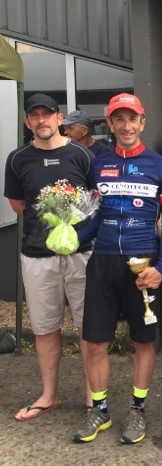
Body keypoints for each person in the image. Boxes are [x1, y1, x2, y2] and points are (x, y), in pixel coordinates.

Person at [72, 93, 162, 444]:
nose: (126, 125)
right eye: (119, 119)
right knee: (94, 342)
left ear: (142, 122)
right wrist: (71, 239)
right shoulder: (97, 164)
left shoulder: (161, 167)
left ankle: (137, 409)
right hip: (102, 262)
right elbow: (94, 216)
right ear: (110, 123)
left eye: (132, 118)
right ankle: (100, 410)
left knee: (143, 342)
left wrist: (161, 268)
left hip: (142, 264)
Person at [4, 93, 94, 420]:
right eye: (35, 115)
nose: (42, 120)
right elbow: (19, 205)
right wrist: (53, 228)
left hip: (82, 254)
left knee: (88, 327)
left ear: (59, 119)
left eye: (48, 114)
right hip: (37, 256)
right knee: (44, 328)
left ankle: (93, 398)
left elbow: (95, 200)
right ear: (27, 122)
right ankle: (49, 395)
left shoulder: (82, 155)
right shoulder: (17, 159)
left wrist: (71, 232)